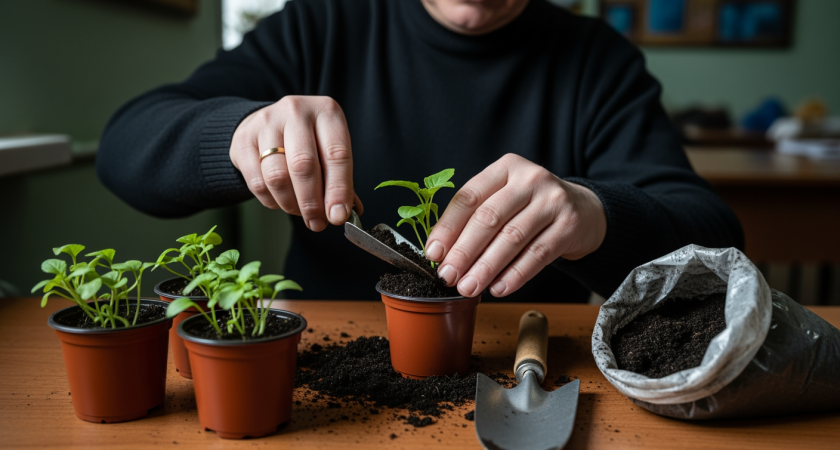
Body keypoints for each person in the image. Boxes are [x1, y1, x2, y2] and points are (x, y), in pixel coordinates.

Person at [97, 0, 743, 302]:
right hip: (320, 372)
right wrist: (239, 135)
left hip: (525, 367)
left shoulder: (597, 61)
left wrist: (595, 215)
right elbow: (125, 146)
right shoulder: (323, 24)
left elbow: (718, 241)